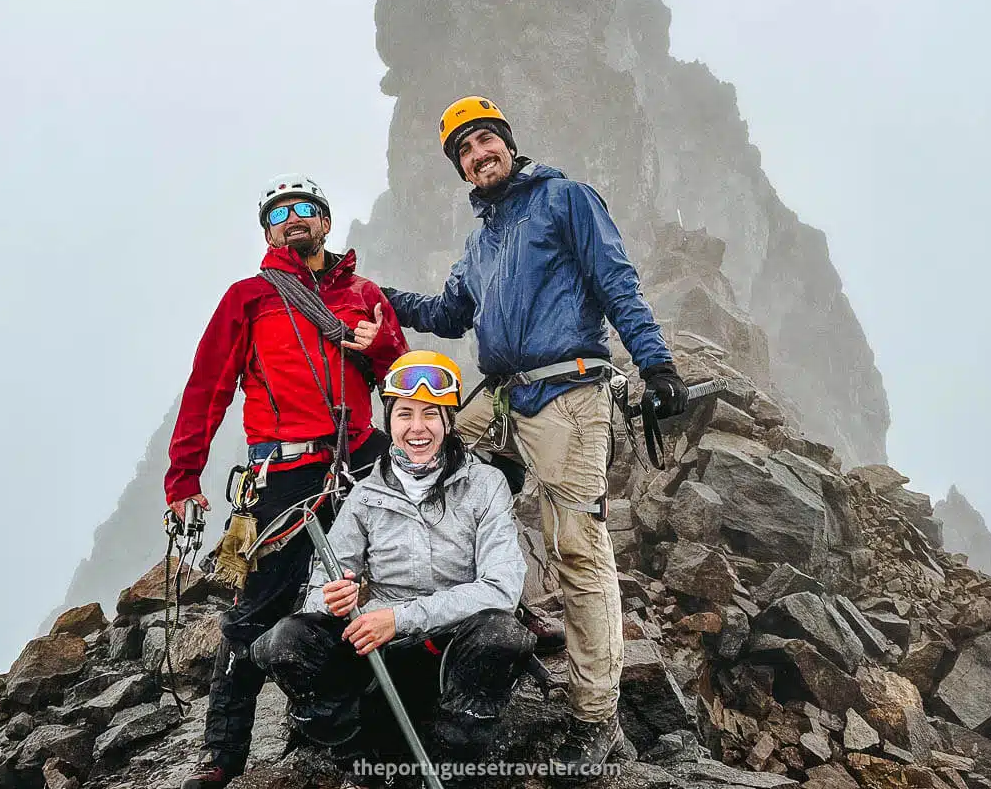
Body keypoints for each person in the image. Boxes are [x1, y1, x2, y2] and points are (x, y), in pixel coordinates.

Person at [382, 97, 689, 781]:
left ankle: (595, 717)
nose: (477, 154)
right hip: (501, 398)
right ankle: (491, 623)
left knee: (577, 548)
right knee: (431, 478)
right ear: (459, 166)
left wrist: (654, 361)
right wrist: (377, 295)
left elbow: (616, 280)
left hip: (569, 394)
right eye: (463, 150)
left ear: (508, 144)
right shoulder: (482, 239)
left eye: (485, 140)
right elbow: (449, 312)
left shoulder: (565, 198)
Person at [167, 173, 409, 789]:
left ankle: (387, 721)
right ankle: (222, 756)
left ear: (325, 222)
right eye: (278, 215)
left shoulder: (363, 294)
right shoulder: (248, 298)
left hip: (359, 455)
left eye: (305, 209)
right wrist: (183, 480)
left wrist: (379, 346)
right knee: (257, 611)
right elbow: (207, 389)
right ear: (269, 232)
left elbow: (403, 382)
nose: (292, 219)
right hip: (284, 471)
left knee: (400, 578)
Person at [251, 350, 536, 768]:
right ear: (389, 421)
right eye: (404, 414)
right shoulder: (365, 495)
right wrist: (331, 600)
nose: (417, 428)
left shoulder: (486, 485)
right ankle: (353, 754)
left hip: (452, 648)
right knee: (286, 641)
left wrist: (400, 619)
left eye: (430, 415)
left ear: (448, 422)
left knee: (501, 633)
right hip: (378, 656)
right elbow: (317, 593)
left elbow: (501, 590)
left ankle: (454, 755)